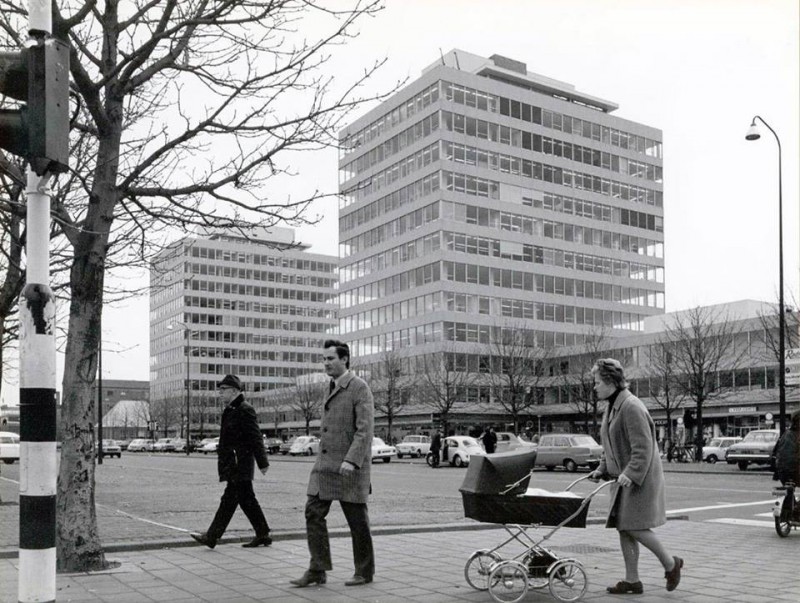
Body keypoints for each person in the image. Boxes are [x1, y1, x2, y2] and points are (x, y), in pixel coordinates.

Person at [588, 358, 683, 595]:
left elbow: (643, 447)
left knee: (634, 526)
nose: (594, 387)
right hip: (625, 479)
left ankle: (671, 564)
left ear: (610, 381)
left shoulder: (631, 406)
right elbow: (610, 445)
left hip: (638, 479)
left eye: (597, 382)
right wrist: (601, 467)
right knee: (624, 526)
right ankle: (632, 580)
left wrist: (630, 473)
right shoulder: (612, 406)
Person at [291, 340, 375, 588]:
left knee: (357, 521)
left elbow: (365, 430)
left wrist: (352, 460)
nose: (326, 363)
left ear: (345, 359)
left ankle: (365, 571)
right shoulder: (329, 387)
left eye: (330, 359)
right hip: (325, 467)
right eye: (324, 359)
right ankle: (317, 569)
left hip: (349, 468)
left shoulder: (359, 388)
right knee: (313, 512)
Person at [190, 374, 271, 549]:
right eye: (219, 389)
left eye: (223, 390)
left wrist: (262, 462)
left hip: (239, 464)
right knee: (246, 499)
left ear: (234, 391)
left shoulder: (244, 409)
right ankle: (263, 533)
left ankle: (212, 537)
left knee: (229, 500)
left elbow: (255, 437)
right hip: (233, 464)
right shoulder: (230, 410)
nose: (219, 393)